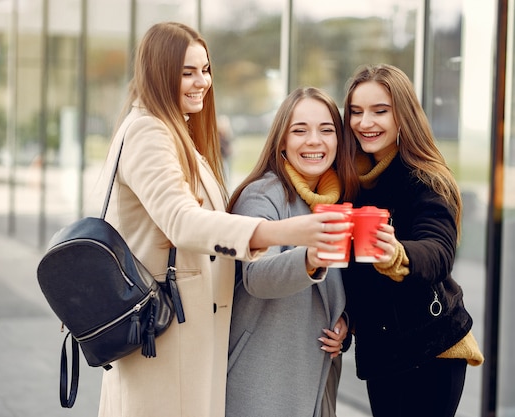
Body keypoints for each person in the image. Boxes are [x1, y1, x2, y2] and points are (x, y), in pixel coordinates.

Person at [96, 22, 350, 417]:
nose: (203, 82)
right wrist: (284, 233)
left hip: (183, 333)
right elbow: (183, 221)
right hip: (165, 335)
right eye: (187, 72)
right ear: (159, 72)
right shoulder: (149, 132)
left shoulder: (173, 132)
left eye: (205, 69)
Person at [341, 63, 484, 417]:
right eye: (356, 112)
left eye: (380, 111)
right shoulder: (351, 181)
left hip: (432, 350)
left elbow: (438, 250)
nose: (365, 122)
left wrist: (397, 253)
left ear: (403, 116)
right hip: (384, 351)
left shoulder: (427, 178)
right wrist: (346, 320)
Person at [225, 87, 359, 417]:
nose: (315, 140)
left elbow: (331, 290)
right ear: (281, 141)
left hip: (314, 380)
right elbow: (257, 275)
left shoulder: (333, 200)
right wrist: (310, 258)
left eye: (326, 130)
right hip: (263, 382)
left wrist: (343, 322)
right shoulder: (263, 195)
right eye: (300, 130)